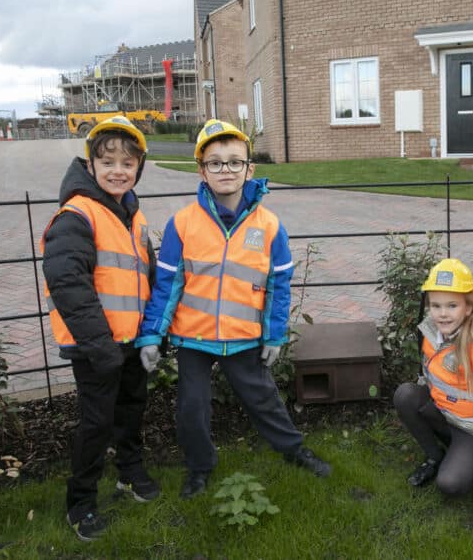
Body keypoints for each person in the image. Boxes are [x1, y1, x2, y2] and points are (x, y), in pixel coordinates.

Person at [136, 119, 331, 500]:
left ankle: (293, 450)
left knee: (264, 400)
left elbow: (277, 286)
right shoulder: (182, 224)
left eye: (234, 162)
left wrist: (274, 334)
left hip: (244, 338)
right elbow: (167, 285)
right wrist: (151, 336)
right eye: (215, 162)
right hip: (194, 338)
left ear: (249, 169)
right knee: (191, 409)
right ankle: (199, 468)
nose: (225, 170)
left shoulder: (271, 226)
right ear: (201, 169)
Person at [41, 116, 160, 542]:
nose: (118, 171)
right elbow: (68, 284)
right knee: (95, 424)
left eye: (128, 163)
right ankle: (81, 503)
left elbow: (143, 275)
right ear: (89, 164)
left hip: (130, 343)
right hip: (97, 348)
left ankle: (129, 474)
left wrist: (150, 334)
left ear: (138, 169)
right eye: (107, 161)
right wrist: (102, 347)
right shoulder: (77, 214)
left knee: (131, 412)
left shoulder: (132, 212)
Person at [393, 258, 473, 498]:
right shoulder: (431, 332)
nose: (443, 314)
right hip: (446, 413)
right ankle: (435, 457)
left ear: (468, 307)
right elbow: (431, 379)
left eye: (452, 306)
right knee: (405, 395)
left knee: (450, 484)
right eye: (436, 306)